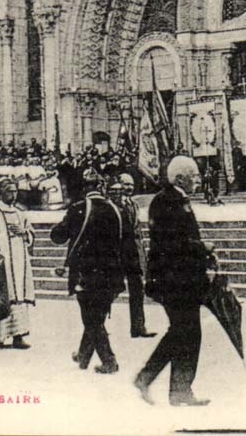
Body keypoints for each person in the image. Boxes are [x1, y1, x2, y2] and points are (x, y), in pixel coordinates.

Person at [135, 156, 213, 407]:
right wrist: (202, 247)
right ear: (180, 178)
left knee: (183, 332)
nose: (198, 181)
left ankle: (169, 386)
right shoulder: (166, 201)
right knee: (186, 331)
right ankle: (167, 385)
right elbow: (171, 243)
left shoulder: (174, 199)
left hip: (181, 278)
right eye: (195, 176)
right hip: (174, 280)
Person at [50, 168, 130, 374]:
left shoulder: (78, 209)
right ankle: (83, 356)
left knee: (91, 319)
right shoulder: (116, 210)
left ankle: (109, 361)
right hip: (112, 274)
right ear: (101, 187)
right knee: (97, 316)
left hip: (85, 275)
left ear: (84, 188)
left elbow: (57, 236)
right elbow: (126, 243)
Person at [0, 178, 36, 349]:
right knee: (3, 295)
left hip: (20, 261)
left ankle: (19, 335)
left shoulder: (20, 213)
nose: (13, 194)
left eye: (15, 191)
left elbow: (30, 234)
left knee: (19, 296)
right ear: (1, 192)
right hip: (2, 261)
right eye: (9, 191)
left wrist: (24, 233)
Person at [109, 173, 155, 339]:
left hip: (134, 255)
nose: (129, 187)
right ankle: (98, 327)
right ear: (119, 185)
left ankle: (138, 327)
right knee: (110, 292)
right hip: (119, 254)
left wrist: (142, 254)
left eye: (131, 184)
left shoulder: (134, 204)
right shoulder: (111, 205)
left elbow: (139, 232)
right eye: (125, 184)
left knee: (137, 290)